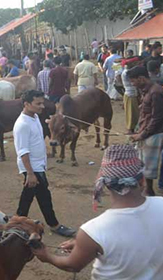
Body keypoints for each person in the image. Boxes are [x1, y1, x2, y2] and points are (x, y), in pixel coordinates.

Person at [33, 144, 163, 279]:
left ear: (105, 184)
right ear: (142, 180)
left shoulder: (94, 230)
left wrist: (47, 256)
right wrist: (84, 245)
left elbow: (73, 265)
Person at [13, 90, 75, 237]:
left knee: (35, 195)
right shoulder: (22, 124)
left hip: (38, 166)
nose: (42, 106)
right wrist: (30, 173)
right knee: (41, 195)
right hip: (32, 167)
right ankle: (52, 224)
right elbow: (23, 151)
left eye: (42, 103)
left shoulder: (34, 117)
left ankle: (17, 222)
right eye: (38, 103)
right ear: (27, 104)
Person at [128, 66, 163, 196]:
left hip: (156, 133)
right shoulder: (147, 90)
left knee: (148, 163)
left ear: (141, 78)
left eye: (133, 81)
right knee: (142, 161)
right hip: (148, 130)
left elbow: (157, 118)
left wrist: (142, 134)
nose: (132, 84)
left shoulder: (155, 92)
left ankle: (149, 190)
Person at [121, 59, 141, 135]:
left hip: (131, 93)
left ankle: (132, 128)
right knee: (131, 113)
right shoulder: (127, 73)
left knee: (133, 112)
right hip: (130, 94)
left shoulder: (126, 72)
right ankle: (130, 128)